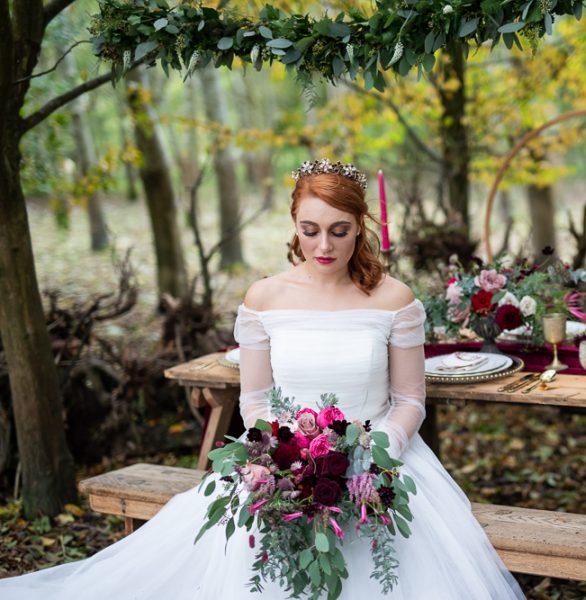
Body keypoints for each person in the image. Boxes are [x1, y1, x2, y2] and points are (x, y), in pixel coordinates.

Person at [0, 159, 526, 599]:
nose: (325, 245)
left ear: (359, 228)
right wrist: (283, 453)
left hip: (381, 462)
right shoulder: (264, 298)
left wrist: (373, 452)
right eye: (311, 229)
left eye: (340, 231)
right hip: (282, 461)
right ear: (294, 223)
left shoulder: (394, 299)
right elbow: (252, 399)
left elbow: (411, 398)